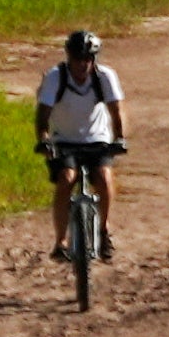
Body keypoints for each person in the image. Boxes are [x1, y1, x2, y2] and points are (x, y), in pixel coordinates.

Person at [36, 28, 128, 261]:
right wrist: (44, 140)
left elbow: (116, 110)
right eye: (78, 58)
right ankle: (61, 241)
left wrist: (119, 138)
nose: (82, 64)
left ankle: (104, 230)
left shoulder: (105, 77)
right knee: (66, 178)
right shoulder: (55, 77)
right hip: (64, 140)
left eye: (88, 58)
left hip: (97, 139)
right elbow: (43, 115)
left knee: (104, 177)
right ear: (69, 57)